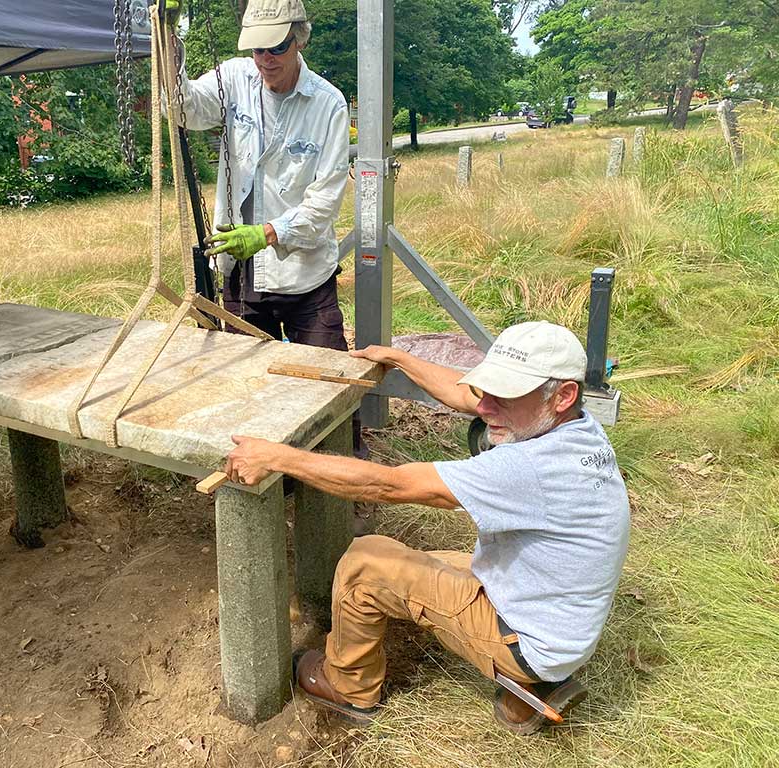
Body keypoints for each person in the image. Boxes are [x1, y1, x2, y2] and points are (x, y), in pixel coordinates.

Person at [223, 321, 631, 734]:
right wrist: (399, 359)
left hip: (527, 638)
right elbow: (464, 393)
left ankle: (348, 687)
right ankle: (532, 688)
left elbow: (390, 484)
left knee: (364, 562)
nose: (486, 406)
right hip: (559, 616)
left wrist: (277, 458)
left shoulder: (528, 469)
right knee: (419, 562)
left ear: (562, 395)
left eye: (503, 395)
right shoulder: (575, 428)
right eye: (488, 389)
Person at [168, 0, 365, 454]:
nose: (264, 60)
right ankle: (268, 482)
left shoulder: (328, 103)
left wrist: (268, 233)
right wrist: (170, 44)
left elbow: (324, 201)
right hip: (241, 274)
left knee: (329, 385)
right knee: (246, 385)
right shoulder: (235, 78)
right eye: (256, 49)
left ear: (298, 39)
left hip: (305, 278)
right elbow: (186, 110)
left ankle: (340, 489)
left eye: (275, 47)